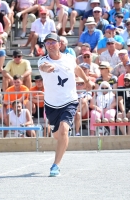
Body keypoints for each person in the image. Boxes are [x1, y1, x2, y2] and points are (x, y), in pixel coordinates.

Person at [38, 33, 91, 177]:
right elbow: (44, 66)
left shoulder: (69, 58)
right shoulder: (42, 60)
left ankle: (56, 165)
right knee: (57, 135)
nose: (50, 45)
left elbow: (77, 69)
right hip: (51, 104)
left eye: (52, 42)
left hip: (69, 101)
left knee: (63, 131)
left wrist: (86, 81)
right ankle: (63, 138)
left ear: (59, 44)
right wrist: (48, 68)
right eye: (47, 43)